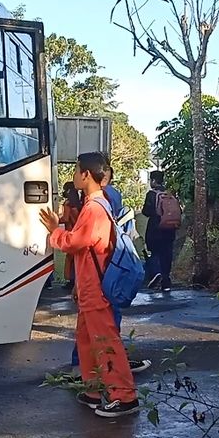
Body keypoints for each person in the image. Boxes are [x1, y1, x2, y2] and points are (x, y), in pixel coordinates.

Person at [40, 152, 140, 418]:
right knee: (86, 339)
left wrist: (54, 230)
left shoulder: (95, 208)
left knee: (105, 341)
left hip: (96, 289)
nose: (73, 176)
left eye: (76, 171)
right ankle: (94, 388)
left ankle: (124, 396)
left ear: (86, 175)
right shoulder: (96, 204)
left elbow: (75, 242)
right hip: (88, 286)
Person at [142, 171, 176, 292]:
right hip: (170, 229)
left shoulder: (151, 194)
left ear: (154, 181)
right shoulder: (169, 194)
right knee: (167, 254)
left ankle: (156, 273)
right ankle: (166, 282)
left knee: (155, 252)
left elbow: (145, 211)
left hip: (155, 229)